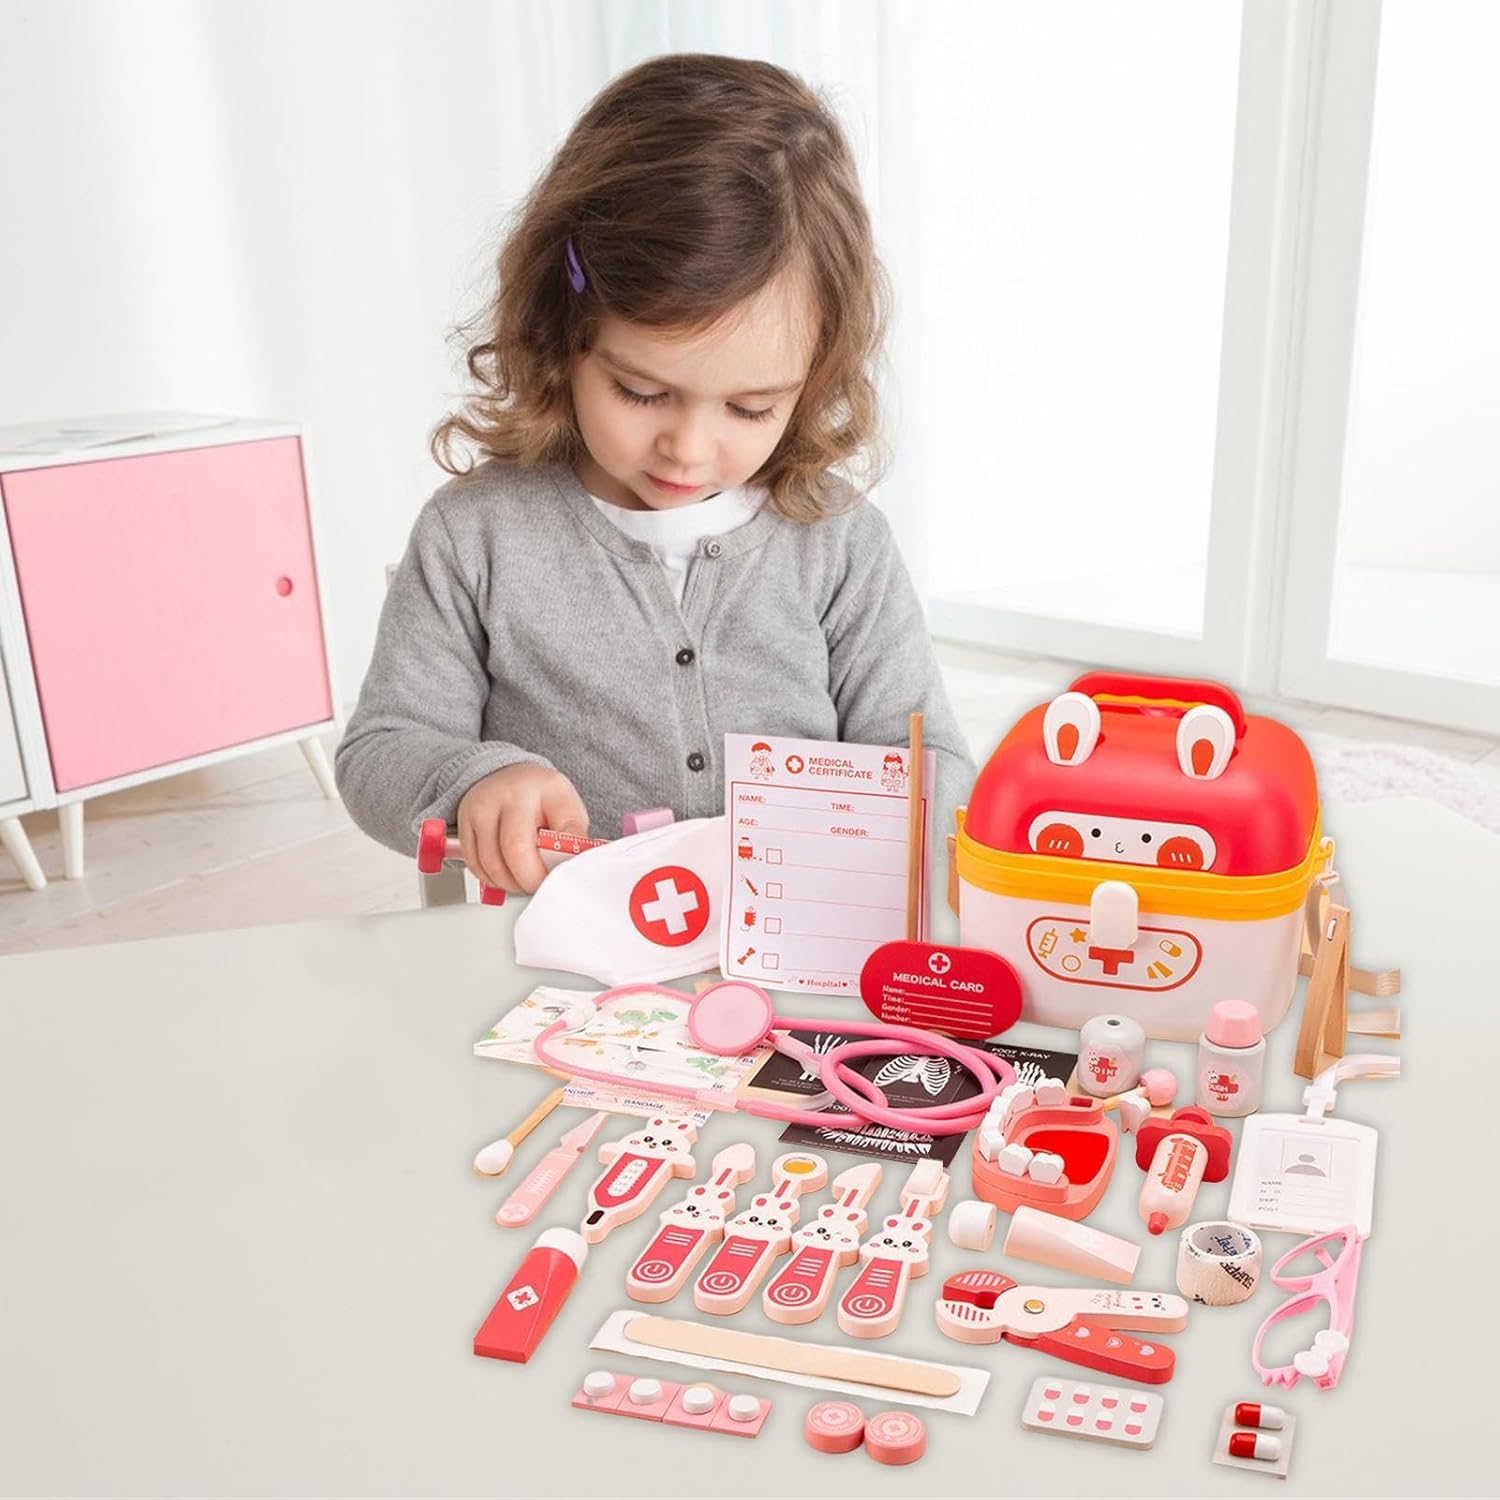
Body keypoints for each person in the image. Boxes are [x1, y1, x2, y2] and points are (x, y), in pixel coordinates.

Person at [336, 53, 974, 896]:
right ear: (563, 327)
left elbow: (931, 759)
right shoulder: (477, 534)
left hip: (789, 949)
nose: (688, 449)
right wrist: (476, 780)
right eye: (641, 392)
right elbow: (381, 749)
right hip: (553, 956)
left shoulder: (839, 542)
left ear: (814, 375)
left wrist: (892, 825)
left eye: (750, 408)